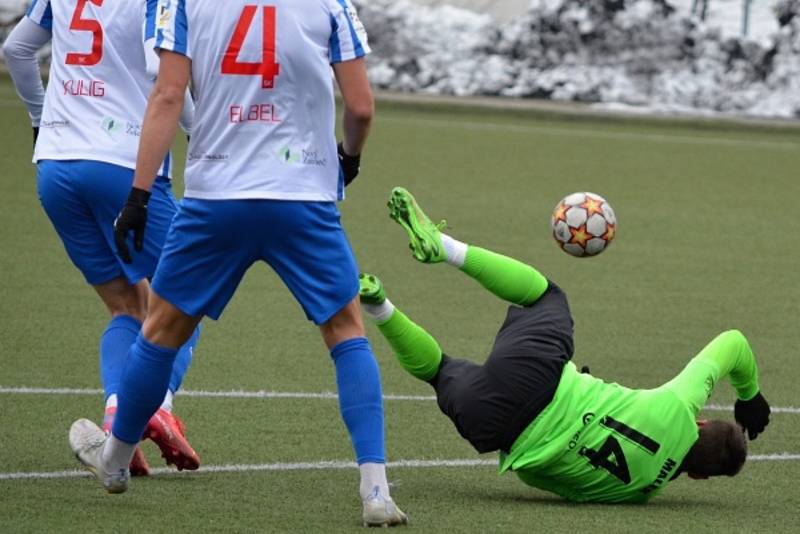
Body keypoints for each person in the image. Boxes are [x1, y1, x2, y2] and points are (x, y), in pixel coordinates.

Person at [67, 0, 407, 527]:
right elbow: (360, 107)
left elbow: (167, 95)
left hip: (217, 199)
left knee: (159, 329)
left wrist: (137, 195)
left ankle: (112, 462)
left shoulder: (185, 3)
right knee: (346, 332)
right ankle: (376, 490)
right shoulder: (332, 5)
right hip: (303, 198)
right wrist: (349, 158)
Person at [357, 187, 772, 503]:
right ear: (697, 477)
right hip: (497, 426)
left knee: (545, 296)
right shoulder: (637, 494)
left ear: (700, 423)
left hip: (537, 373)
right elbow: (538, 479)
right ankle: (378, 306)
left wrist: (749, 395)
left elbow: (732, 342)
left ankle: (443, 247)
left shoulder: (679, 409)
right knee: (437, 370)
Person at [2, 0, 201, 475]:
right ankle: (153, 407)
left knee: (127, 306)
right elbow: (163, 73)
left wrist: (38, 120)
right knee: (184, 301)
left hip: (55, 166)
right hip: (125, 166)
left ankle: (117, 415)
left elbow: (16, 49)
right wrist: (207, 136)